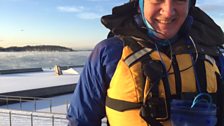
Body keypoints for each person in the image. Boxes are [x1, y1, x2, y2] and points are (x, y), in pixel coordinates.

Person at [67, 0, 224, 126]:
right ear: (139, 3)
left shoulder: (212, 55)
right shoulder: (109, 53)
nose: (168, 11)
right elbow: (81, 120)